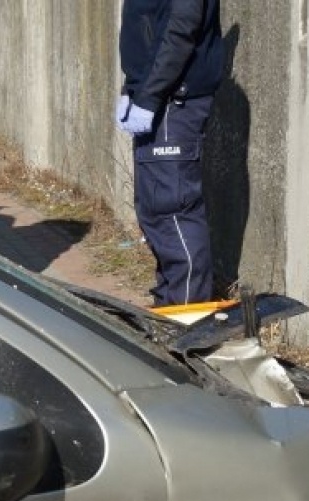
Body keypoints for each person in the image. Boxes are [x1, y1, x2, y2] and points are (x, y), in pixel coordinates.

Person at [116, 0, 225, 307]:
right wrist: (131, 89)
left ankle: (188, 316)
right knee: (154, 211)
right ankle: (169, 309)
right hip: (158, 95)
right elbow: (148, 29)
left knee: (172, 211)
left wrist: (148, 97)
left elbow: (179, 29)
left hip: (173, 99)